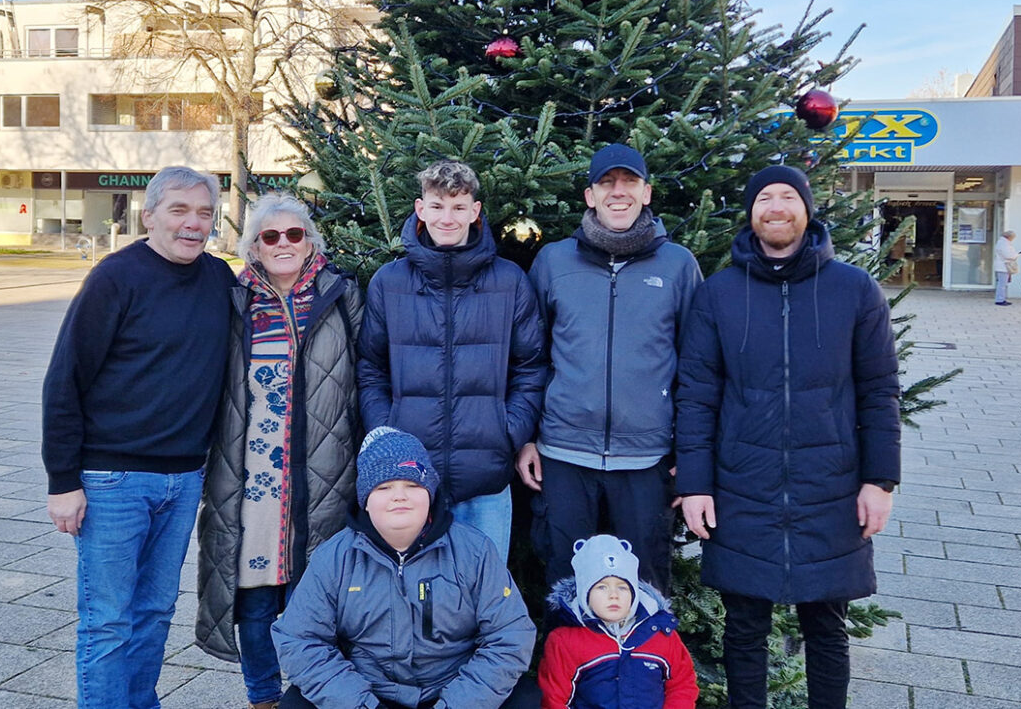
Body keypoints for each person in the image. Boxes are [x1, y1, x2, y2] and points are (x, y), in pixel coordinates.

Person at [674, 165, 901, 709]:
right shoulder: (719, 293)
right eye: (764, 198)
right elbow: (697, 395)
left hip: (831, 485)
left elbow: (880, 389)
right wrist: (697, 484)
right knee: (744, 629)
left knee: (827, 629)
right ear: (751, 213)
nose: (776, 207)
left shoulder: (854, 289)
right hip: (741, 486)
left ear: (806, 209)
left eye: (787, 197)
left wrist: (880, 480)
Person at [42, 165, 235, 709]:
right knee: (107, 622)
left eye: (204, 212)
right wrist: (63, 481)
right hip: (112, 481)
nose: (193, 224)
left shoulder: (220, 279)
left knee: (154, 614)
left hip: (184, 480)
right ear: (149, 215)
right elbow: (65, 380)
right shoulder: (115, 278)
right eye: (179, 210)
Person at [196, 192, 363, 709]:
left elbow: (369, 372)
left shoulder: (340, 294)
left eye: (295, 234)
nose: (284, 243)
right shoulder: (235, 300)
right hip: (251, 472)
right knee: (255, 592)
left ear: (310, 240)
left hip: (324, 468)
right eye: (271, 236)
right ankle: (263, 696)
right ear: (254, 247)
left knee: (315, 592)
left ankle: (312, 694)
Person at [519, 143, 703, 590]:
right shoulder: (554, 262)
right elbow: (529, 356)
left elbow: (698, 367)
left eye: (629, 183)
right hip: (563, 454)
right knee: (566, 585)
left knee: (645, 588)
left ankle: (647, 663)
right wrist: (525, 438)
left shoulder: (678, 266)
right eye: (607, 183)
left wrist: (692, 455)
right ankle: (569, 662)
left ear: (647, 193)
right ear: (590, 196)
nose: (618, 192)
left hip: (646, 459)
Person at [356, 159, 545, 561]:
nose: (448, 217)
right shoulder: (389, 283)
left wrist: (507, 432)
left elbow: (530, 367)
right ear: (420, 209)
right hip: (409, 478)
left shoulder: (509, 281)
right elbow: (371, 368)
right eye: (437, 206)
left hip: (487, 480)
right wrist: (387, 432)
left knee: (485, 597)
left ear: (475, 212)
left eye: (459, 207)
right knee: (414, 599)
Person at [272, 427, 539, 709]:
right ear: (365, 499)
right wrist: (361, 705)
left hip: (452, 689)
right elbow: (299, 640)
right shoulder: (334, 558)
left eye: (412, 485)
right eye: (384, 487)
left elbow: (510, 637)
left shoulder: (475, 551)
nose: (399, 496)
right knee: (296, 704)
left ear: (430, 494)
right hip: (368, 692)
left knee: (524, 698)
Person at [539, 535, 699, 709]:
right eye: (602, 587)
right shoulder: (565, 641)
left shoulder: (661, 634)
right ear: (585, 594)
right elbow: (554, 698)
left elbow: (681, 685)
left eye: (622, 587)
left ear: (634, 594)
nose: (613, 595)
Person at [994, 229, 1018, 306]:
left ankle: (1001, 298)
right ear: (1009, 237)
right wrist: (1016, 255)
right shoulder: (1003, 244)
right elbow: (1008, 255)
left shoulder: (1003, 243)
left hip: (1003, 266)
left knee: (1003, 283)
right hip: (1003, 266)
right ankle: (1000, 300)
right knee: (1002, 284)